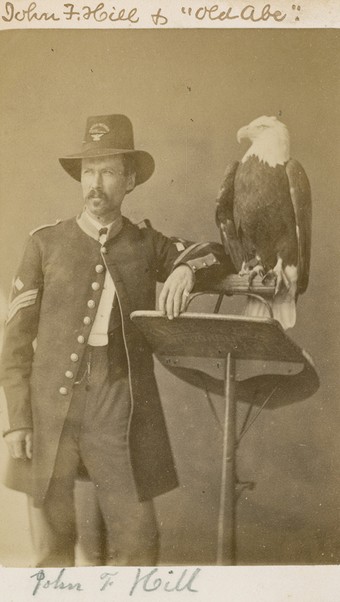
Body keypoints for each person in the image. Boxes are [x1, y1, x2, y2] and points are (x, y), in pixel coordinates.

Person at [0, 114, 233, 567]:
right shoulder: (45, 245)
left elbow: (217, 254)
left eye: (108, 172)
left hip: (118, 399)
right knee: (51, 546)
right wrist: (18, 420)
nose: (96, 183)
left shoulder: (147, 245)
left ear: (129, 181)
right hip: (50, 409)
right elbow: (12, 344)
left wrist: (186, 269)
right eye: (89, 172)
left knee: (138, 541)